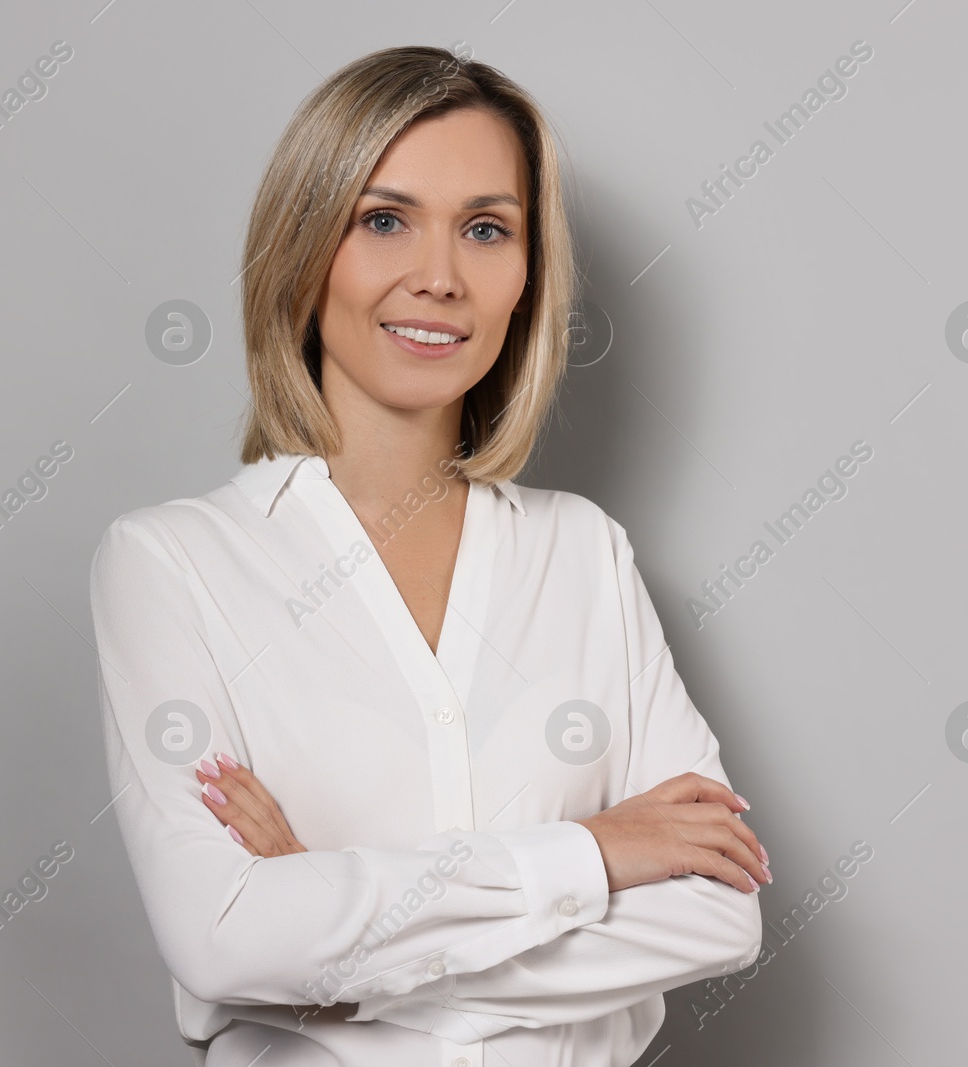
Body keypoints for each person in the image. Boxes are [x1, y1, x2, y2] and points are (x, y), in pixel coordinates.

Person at [89, 44, 770, 1067]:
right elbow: (223, 937)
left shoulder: (582, 552)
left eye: (487, 229)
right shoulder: (170, 564)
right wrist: (593, 852)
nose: (440, 276)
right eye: (384, 219)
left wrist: (333, 969)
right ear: (304, 246)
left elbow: (720, 913)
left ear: (525, 277)